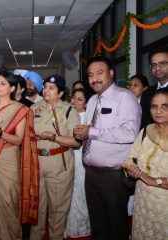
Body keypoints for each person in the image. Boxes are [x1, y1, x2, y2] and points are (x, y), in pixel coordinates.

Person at [73, 56, 141, 240]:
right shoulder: (93, 100)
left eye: (99, 73)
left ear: (111, 73)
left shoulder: (125, 97)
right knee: (98, 225)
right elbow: (90, 128)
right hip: (91, 173)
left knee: (116, 226)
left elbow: (129, 133)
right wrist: (81, 133)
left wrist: (92, 132)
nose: (94, 79)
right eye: (90, 75)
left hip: (114, 175)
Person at [0, 71, 39, 240]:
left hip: (8, 159)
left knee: (8, 202)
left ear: (12, 88)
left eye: (2, 83)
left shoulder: (21, 109)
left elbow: (19, 140)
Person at [30, 74, 81, 240]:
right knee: (36, 209)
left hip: (59, 164)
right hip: (37, 163)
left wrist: (55, 138)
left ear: (60, 93)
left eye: (51, 88)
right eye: (45, 87)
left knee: (57, 210)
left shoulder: (69, 110)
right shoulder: (33, 109)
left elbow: (76, 142)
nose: (46, 91)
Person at [122, 89, 168, 240]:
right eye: (154, 106)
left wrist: (152, 180)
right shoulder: (145, 132)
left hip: (164, 207)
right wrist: (131, 171)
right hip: (142, 202)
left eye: (165, 106)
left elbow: (149, 178)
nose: (158, 111)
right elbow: (130, 159)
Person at [66, 88, 91, 238]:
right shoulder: (68, 113)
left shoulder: (87, 118)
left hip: (80, 156)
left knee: (80, 190)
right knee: (68, 191)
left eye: (80, 99)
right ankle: (67, 225)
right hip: (68, 154)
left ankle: (81, 227)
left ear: (86, 103)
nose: (75, 101)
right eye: (74, 98)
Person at [140, 45, 168, 129]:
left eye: (162, 63)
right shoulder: (147, 93)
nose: (157, 68)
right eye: (153, 65)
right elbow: (145, 124)